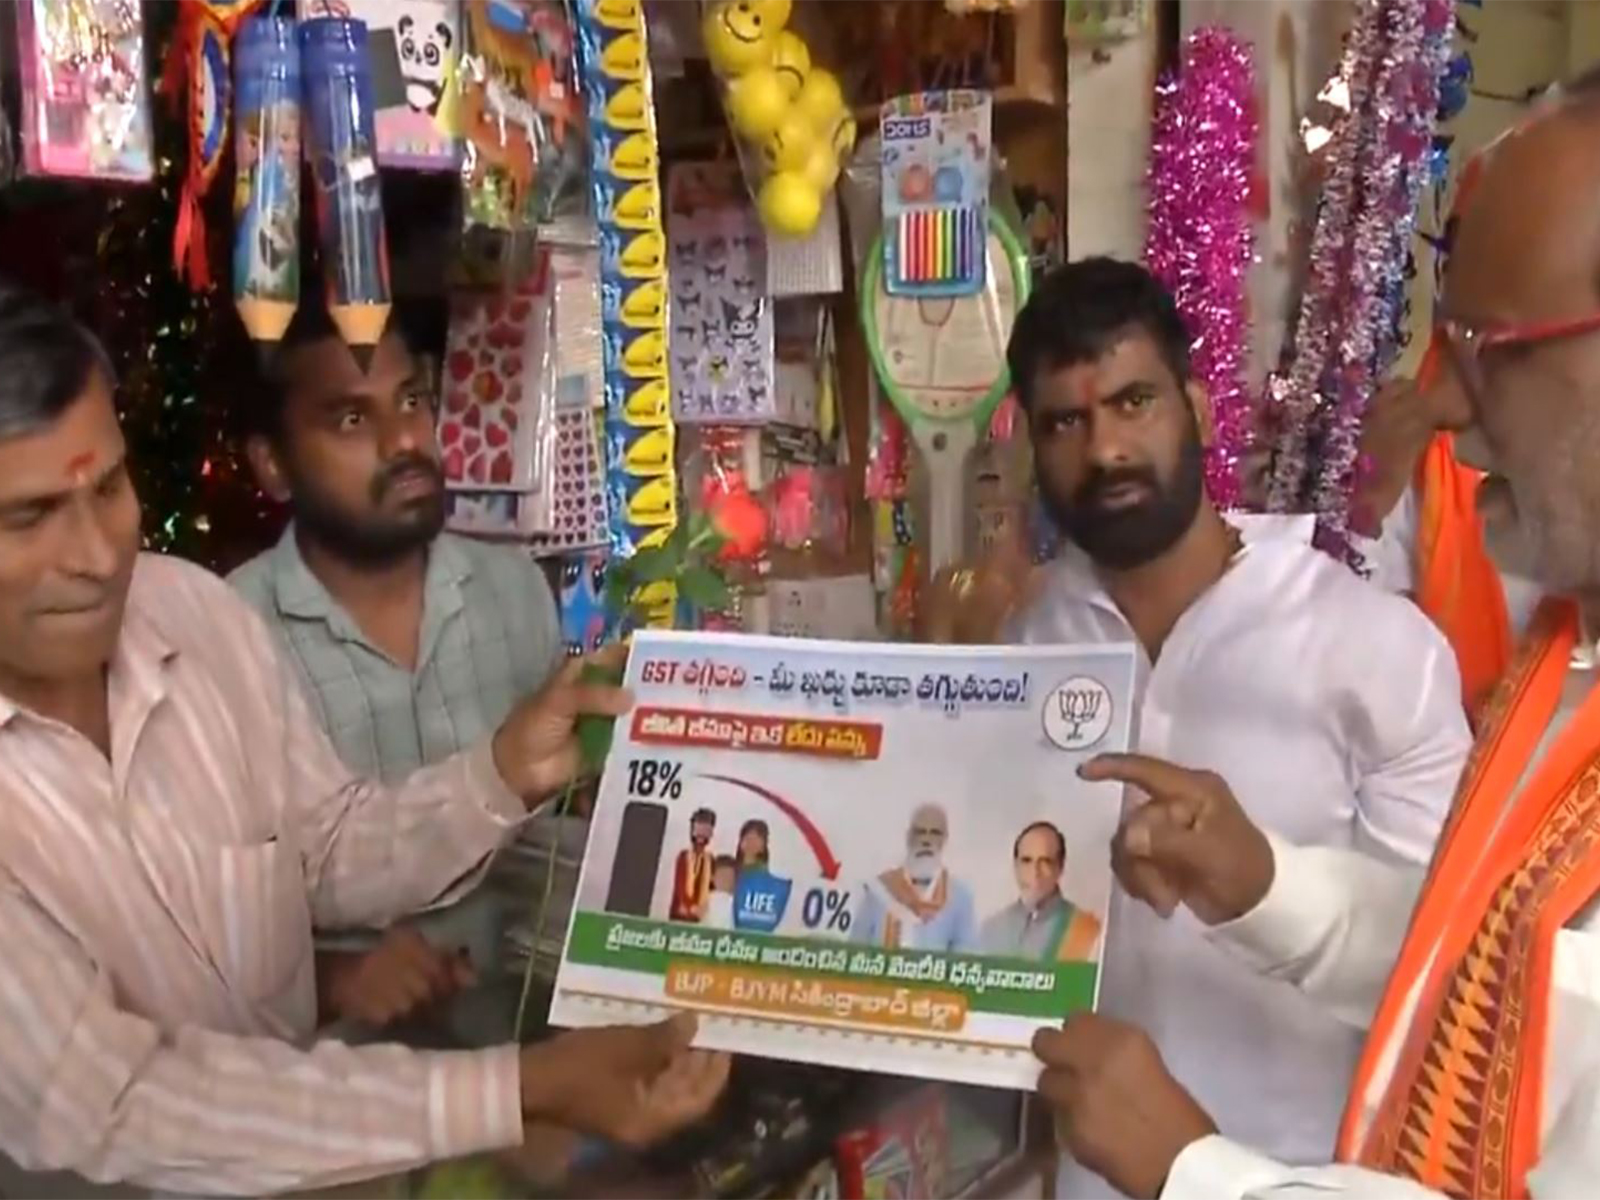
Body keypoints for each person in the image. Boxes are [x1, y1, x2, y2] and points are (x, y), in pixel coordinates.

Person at [0, 282, 729, 1195]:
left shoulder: (187, 611)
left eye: (108, 487)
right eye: (29, 516)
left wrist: (504, 771)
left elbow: (329, 844)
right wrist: (524, 1089)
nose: (99, 555)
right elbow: (118, 1104)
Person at [1032, 81, 1600, 1200]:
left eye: (1488, 348)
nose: (1441, 408)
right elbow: (1509, 977)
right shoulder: (1565, 670)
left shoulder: (1371, 645)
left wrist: (1197, 1172)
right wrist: (1266, 888)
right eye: (1065, 421)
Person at [984, 259, 1470, 1196]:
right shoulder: (1026, 647)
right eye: (1066, 422)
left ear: (1200, 411)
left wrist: (1258, 883)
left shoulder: (1372, 647)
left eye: (1133, 403)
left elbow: (1448, 980)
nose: (1106, 450)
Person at [228, 297, 563, 1041]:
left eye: (411, 401)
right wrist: (330, 980)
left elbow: (558, 838)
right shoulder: (228, 638)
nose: (404, 440)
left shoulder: (512, 590)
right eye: (352, 419)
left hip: (524, 1061)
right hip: (330, 1088)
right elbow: (195, 933)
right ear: (273, 464)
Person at [854, 804, 977, 953]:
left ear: (945, 839)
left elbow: (966, 957)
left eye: (935, 833)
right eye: (920, 832)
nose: (926, 841)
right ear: (909, 837)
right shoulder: (880, 891)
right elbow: (855, 949)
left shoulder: (960, 897)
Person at [980, 821, 1102, 961]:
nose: (1035, 872)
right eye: (1026, 860)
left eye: (1045, 862)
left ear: (1060, 867)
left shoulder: (1088, 931)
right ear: (1015, 866)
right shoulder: (991, 930)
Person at [671, 807, 717, 922]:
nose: (701, 835)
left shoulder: (710, 859)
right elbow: (680, 886)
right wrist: (690, 907)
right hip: (681, 914)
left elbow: (712, 887)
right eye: (699, 829)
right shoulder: (684, 856)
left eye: (706, 830)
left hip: (701, 916)